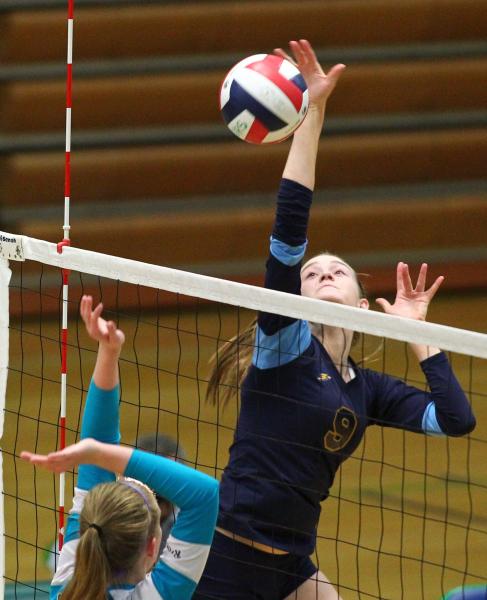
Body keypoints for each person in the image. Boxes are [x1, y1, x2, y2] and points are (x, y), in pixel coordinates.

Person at [194, 40, 476, 600]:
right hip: (228, 552)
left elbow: (456, 421)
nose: (321, 275)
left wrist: (420, 338)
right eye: (311, 273)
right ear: (293, 298)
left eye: (337, 271)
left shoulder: (367, 391)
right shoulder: (284, 347)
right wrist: (311, 116)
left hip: (293, 562)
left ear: (363, 302)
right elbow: (290, 229)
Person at [21, 295, 219, 600]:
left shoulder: (70, 582)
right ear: (153, 547)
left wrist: (100, 453)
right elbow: (204, 495)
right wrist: (98, 453)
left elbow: (204, 495)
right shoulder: (148, 593)